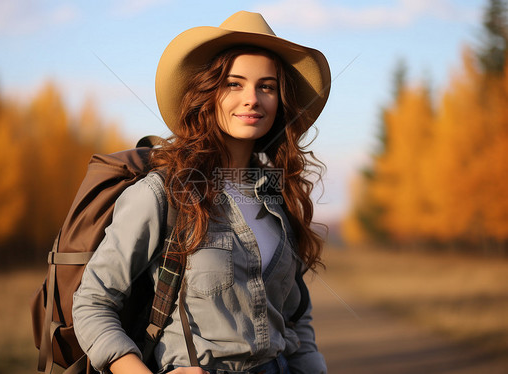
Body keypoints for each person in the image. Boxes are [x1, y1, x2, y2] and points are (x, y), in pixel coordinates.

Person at [72, 10, 331, 374]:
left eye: (266, 86)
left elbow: (294, 317)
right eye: (234, 84)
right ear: (207, 93)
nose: (252, 99)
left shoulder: (275, 196)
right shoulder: (164, 194)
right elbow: (92, 303)